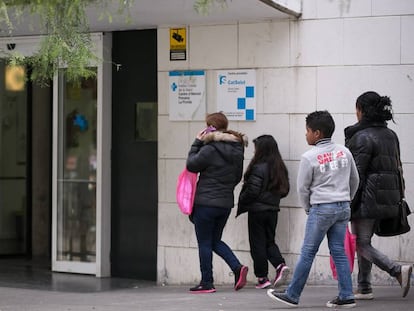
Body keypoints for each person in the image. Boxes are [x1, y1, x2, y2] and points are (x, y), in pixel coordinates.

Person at [267, 110, 360, 308]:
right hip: (343, 207)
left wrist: (308, 208)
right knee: (339, 252)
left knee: (308, 252)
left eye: (307, 130)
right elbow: (355, 180)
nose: (306, 134)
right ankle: (346, 295)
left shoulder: (310, 157)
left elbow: (303, 187)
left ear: (317, 133)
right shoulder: (345, 151)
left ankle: (292, 294)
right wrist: (346, 200)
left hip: (322, 208)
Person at [344, 91, 413, 300]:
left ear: (362, 111)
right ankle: (364, 287)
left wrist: (348, 202)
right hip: (387, 198)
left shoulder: (361, 137)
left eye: (357, 108)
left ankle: (395, 270)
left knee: (360, 243)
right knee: (365, 241)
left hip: (367, 198)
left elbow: (355, 175)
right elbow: (398, 167)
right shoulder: (391, 135)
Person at [186, 112, 249, 294]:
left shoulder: (210, 148)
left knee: (205, 243)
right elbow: (237, 177)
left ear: (209, 127)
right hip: (225, 203)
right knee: (214, 240)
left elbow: (191, 165)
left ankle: (207, 283)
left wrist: (197, 142)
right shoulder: (238, 149)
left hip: (206, 203)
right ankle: (237, 268)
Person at [237, 135, 290, 289]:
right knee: (269, 241)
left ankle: (262, 278)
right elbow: (285, 190)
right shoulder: (280, 167)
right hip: (273, 210)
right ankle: (279, 265)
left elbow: (252, 190)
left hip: (257, 210)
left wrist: (244, 199)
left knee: (257, 244)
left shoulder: (258, 167)